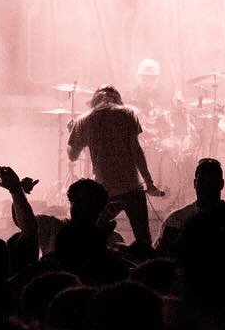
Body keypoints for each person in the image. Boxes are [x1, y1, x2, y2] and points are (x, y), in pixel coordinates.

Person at [67, 86, 163, 251]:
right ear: (116, 98)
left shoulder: (84, 120)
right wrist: (149, 182)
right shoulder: (128, 113)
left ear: (94, 100)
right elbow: (136, 151)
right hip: (132, 187)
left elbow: (72, 156)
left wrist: (72, 131)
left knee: (93, 235)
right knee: (143, 240)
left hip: (104, 192)